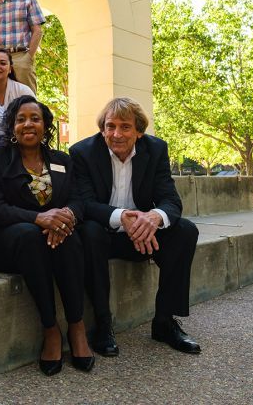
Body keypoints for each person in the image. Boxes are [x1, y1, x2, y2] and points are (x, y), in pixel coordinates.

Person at [69, 97, 201, 358]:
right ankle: (103, 325)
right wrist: (122, 218)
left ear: (139, 131)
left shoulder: (156, 149)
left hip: (142, 235)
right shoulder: (82, 152)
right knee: (89, 232)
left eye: (125, 127)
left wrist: (153, 218)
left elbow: (170, 200)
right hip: (102, 234)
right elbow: (84, 203)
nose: (116, 134)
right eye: (110, 126)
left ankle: (164, 322)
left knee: (185, 231)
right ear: (102, 128)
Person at [0, 95, 94, 376]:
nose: (28, 124)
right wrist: (39, 218)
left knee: (70, 238)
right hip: (3, 242)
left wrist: (65, 218)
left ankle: (77, 326)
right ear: (12, 126)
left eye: (35, 118)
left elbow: (79, 200)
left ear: (45, 125)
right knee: (31, 235)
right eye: (21, 119)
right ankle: (50, 328)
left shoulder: (61, 160)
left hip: (51, 239)